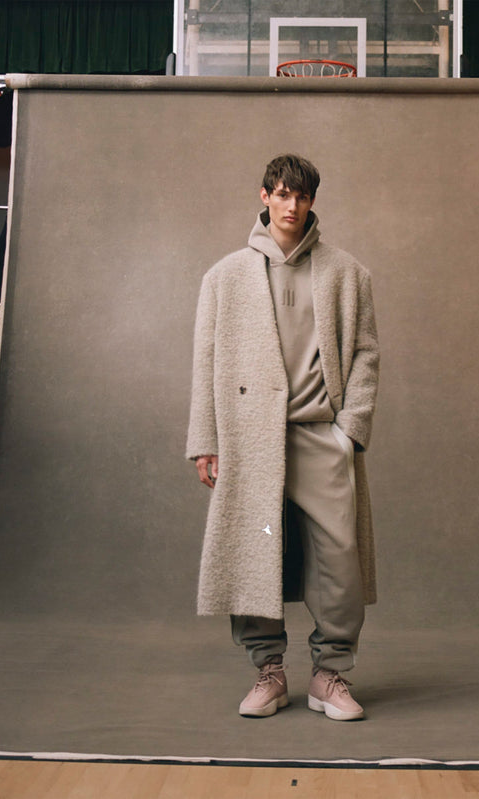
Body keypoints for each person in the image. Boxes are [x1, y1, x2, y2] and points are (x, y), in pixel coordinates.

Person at [186, 154, 379, 721]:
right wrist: (206, 439)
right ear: (265, 195)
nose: (292, 205)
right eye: (282, 193)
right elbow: (205, 362)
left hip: (322, 438)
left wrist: (351, 431)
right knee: (258, 553)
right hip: (251, 441)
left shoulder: (347, 273)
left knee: (337, 561)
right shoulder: (225, 277)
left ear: (312, 201)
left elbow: (366, 354)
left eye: (302, 196)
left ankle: (329, 675)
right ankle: (268, 672)